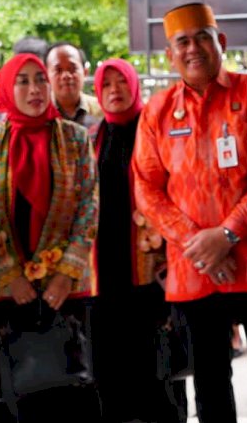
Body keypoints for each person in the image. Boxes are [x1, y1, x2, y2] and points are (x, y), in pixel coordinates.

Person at [134, 2, 247, 423]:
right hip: (196, 273)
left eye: (202, 38)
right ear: (170, 54)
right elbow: (146, 188)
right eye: (182, 42)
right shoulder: (157, 111)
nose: (193, 49)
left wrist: (226, 234)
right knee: (210, 392)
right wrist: (200, 246)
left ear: (221, 42)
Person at [0, 53, 100, 422]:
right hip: (9, 293)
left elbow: (89, 207)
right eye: (22, 81)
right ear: (7, 89)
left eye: (39, 79)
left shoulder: (74, 138)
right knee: (14, 397)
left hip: (66, 290)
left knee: (72, 395)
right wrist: (12, 276)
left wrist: (65, 272)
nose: (34, 89)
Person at [89, 58, 188, 423]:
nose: (115, 90)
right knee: (111, 374)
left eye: (122, 82)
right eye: (107, 84)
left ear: (134, 85)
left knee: (160, 370)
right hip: (105, 274)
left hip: (153, 271)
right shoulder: (93, 136)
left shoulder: (155, 129)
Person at [46, 41, 103, 129]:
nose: (66, 76)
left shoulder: (102, 111)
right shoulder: (40, 113)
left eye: (72, 69)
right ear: (46, 75)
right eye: (58, 70)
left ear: (85, 72)